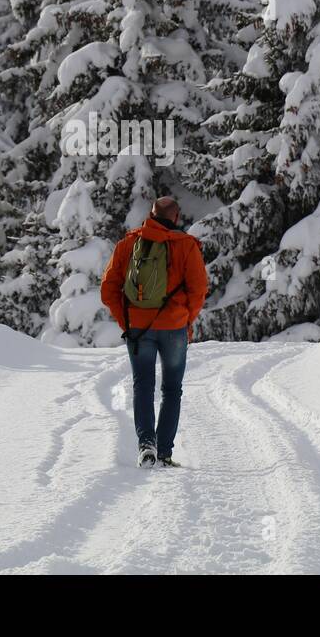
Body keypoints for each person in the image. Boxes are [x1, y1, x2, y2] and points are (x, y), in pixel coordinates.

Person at [100, 196, 208, 468]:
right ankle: (164, 453)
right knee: (172, 390)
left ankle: (146, 444)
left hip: (138, 329)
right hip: (174, 329)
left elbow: (108, 290)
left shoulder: (128, 245)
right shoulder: (186, 245)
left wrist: (126, 320)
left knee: (143, 386)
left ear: (150, 214)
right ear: (175, 217)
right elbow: (198, 290)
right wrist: (186, 320)